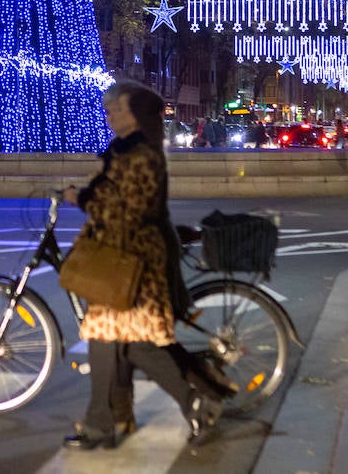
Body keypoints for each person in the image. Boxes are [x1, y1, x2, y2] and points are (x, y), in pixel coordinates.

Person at [61, 82, 230, 451]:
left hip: (130, 264)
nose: (110, 114)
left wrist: (83, 198)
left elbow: (131, 211)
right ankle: (113, 419)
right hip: (120, 262)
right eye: (108, 109)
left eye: (117, 109)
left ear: (135, 115)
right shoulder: (123, 151)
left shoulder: (141, 155)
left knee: (122, 343)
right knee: (122, 343)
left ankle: (115, 421)